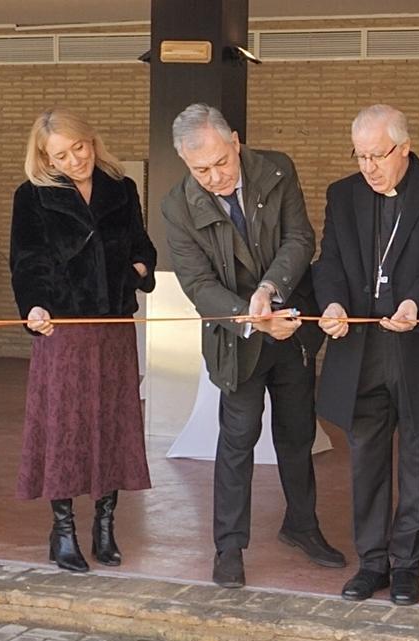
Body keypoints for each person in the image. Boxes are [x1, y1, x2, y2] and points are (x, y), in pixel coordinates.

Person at [161, 103, 345, 589]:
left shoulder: (276, 169)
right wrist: (250, 317)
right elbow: (198, 284)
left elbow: (300, 238)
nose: (215, 176)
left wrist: (269, 291)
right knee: (237, 441)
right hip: (237, 341)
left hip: (288, 324)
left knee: (296, 432)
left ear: (236, 141)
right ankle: (228, 546)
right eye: (200, 169)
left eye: (221, 162)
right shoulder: (177, 206)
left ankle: (302, 526)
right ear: (185, 163)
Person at [312, 104, 419, 606]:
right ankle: (372, 561)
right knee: (366, 459)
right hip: (363, 349)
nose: (368, 167)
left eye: (377, 155)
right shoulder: (343, 195)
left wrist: (416, 303)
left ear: (404, 147)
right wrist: (333, 302)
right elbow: (330, 259)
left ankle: (408, 563)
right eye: (359, 156)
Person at [10, 108, 157, 573]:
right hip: (64, 331)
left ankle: (105, 527)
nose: (75, 160)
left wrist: (137, 270)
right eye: (61, 154)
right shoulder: (31, 197)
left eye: (80, 148)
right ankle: (64, 530)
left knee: (111, 425)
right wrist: (34, 308)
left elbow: (143, 248)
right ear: (43, 156)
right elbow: (27, 260)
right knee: (66, 427)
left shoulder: (122, 188)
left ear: (92, 141)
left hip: (113, 328)